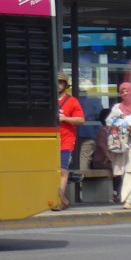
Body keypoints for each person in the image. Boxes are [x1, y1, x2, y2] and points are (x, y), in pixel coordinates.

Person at [54, 76, 84, 211]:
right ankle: (60, 199)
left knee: (63, 171)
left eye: (61, 82)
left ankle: (60, 200)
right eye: (57, 82)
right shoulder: (50, 100)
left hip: (66, 140)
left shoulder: (72, 101)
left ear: (66, 85)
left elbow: (81, 120)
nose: (59, 85)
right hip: (50, 140)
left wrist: (65, 118)